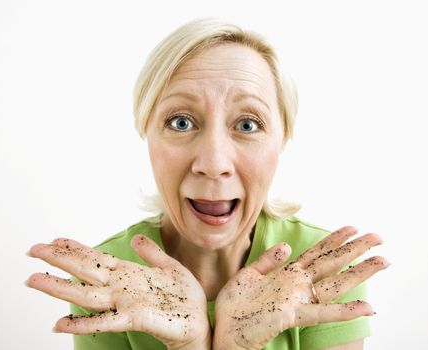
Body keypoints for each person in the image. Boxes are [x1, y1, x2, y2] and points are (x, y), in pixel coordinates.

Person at [26, 18, 389, 350]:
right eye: (181, 122)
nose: (213, 164)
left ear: (283, 140)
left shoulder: (320, 274)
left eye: (248, 125)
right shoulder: (109, 279)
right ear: (145, 133)